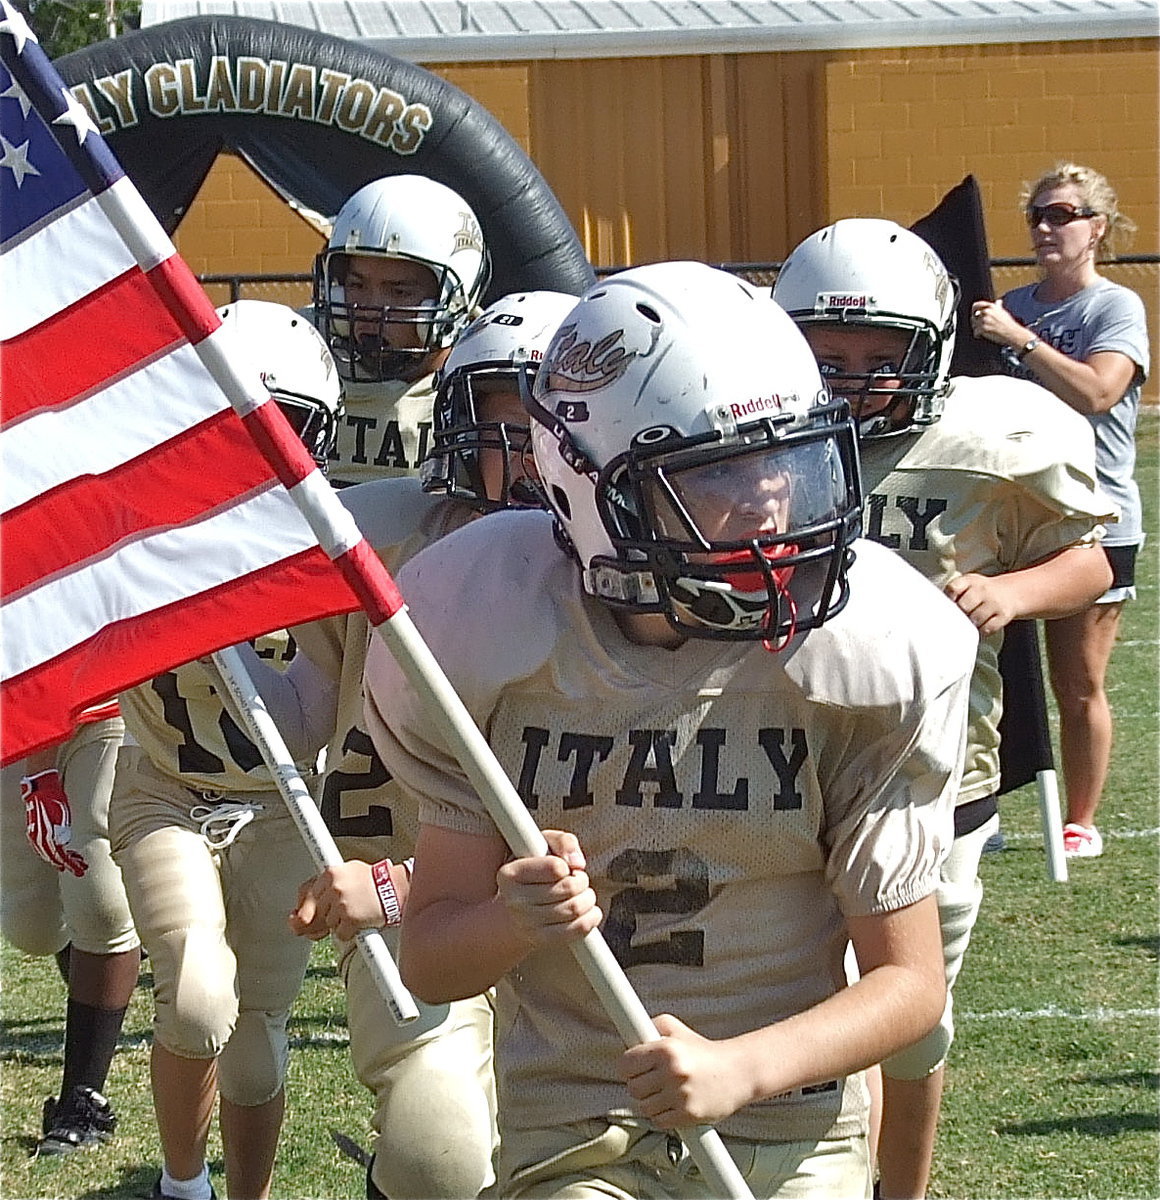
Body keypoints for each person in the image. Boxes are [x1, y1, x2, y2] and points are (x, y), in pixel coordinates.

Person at [363, 262, 980, 1200]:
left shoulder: (869, 649)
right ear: (592, 489)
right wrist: (510, 922)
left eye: (787, 459)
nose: (771, 501)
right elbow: (434, 959)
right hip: (580, 1125)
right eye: (720, 471)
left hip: (789, 1130)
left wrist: (745, 1068)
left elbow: (911, 985)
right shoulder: (483, 622)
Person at [773, 218, 1114, 1200]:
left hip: (937, 775)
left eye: (878, 358)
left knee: (909, 1027)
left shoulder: (988, 437)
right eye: (827, 358)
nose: (851, 381)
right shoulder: (758, 439)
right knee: (805, 1007)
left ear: (929, 349)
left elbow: (1090, 563)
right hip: (781, 764)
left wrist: (1012, 591)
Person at [236, 290, 578, 1199]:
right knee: (439, 1150)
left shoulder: (657, 587)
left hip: (601, 924)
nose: (531, 464)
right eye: (507, 432)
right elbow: (307, 715)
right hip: (413, 909)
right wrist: (205, 636)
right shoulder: (375, 536)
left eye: (555, 434)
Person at [109, 301, 342, 1200]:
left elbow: (336, 708)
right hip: (166, 785)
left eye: (271, 427)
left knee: (258, 1034)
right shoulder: (136, 530)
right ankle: (183, 1186)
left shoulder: (332, 542)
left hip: (284, 799)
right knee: (199, 996)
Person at [972, 162, 1150, 860]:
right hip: (1011, 515)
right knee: (986, 674)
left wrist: (1021, 340)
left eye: (1063, 215)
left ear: (1097, 228)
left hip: (1094, 520)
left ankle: (1080, 820)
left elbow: (1098, 393)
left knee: (1076, 684)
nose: (1047, 227)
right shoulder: (1011, 302)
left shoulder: (1114, 308)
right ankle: (981, 807)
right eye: (1038, 215)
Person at [1, 707, 141, 1157]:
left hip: (104, 698)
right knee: (33, 928)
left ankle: (82, 1100)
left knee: (100, 897)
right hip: (15, 709)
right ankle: (91, 967)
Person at [312, 173, 491, 486]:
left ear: (452, 300)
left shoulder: (487, 381)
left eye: (399, 292)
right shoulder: (300, 358)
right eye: (356, 285)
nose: (370, 310)